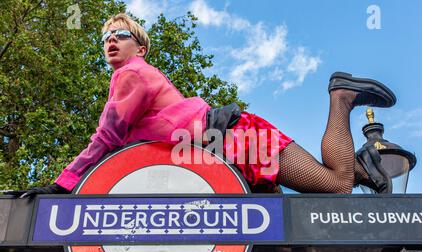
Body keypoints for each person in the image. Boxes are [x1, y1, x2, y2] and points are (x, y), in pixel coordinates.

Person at [7, 13, 395, 198]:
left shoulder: (132, 74)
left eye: (121, 35)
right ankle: (369, 166)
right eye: (106, 36)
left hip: (234, 141)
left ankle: (340, 97)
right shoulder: (131, 77)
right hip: (226, 144)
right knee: (341, 180)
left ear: (139, 48)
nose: (111, 40)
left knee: (336, 185)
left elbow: (106, 137)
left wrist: (62, 184)